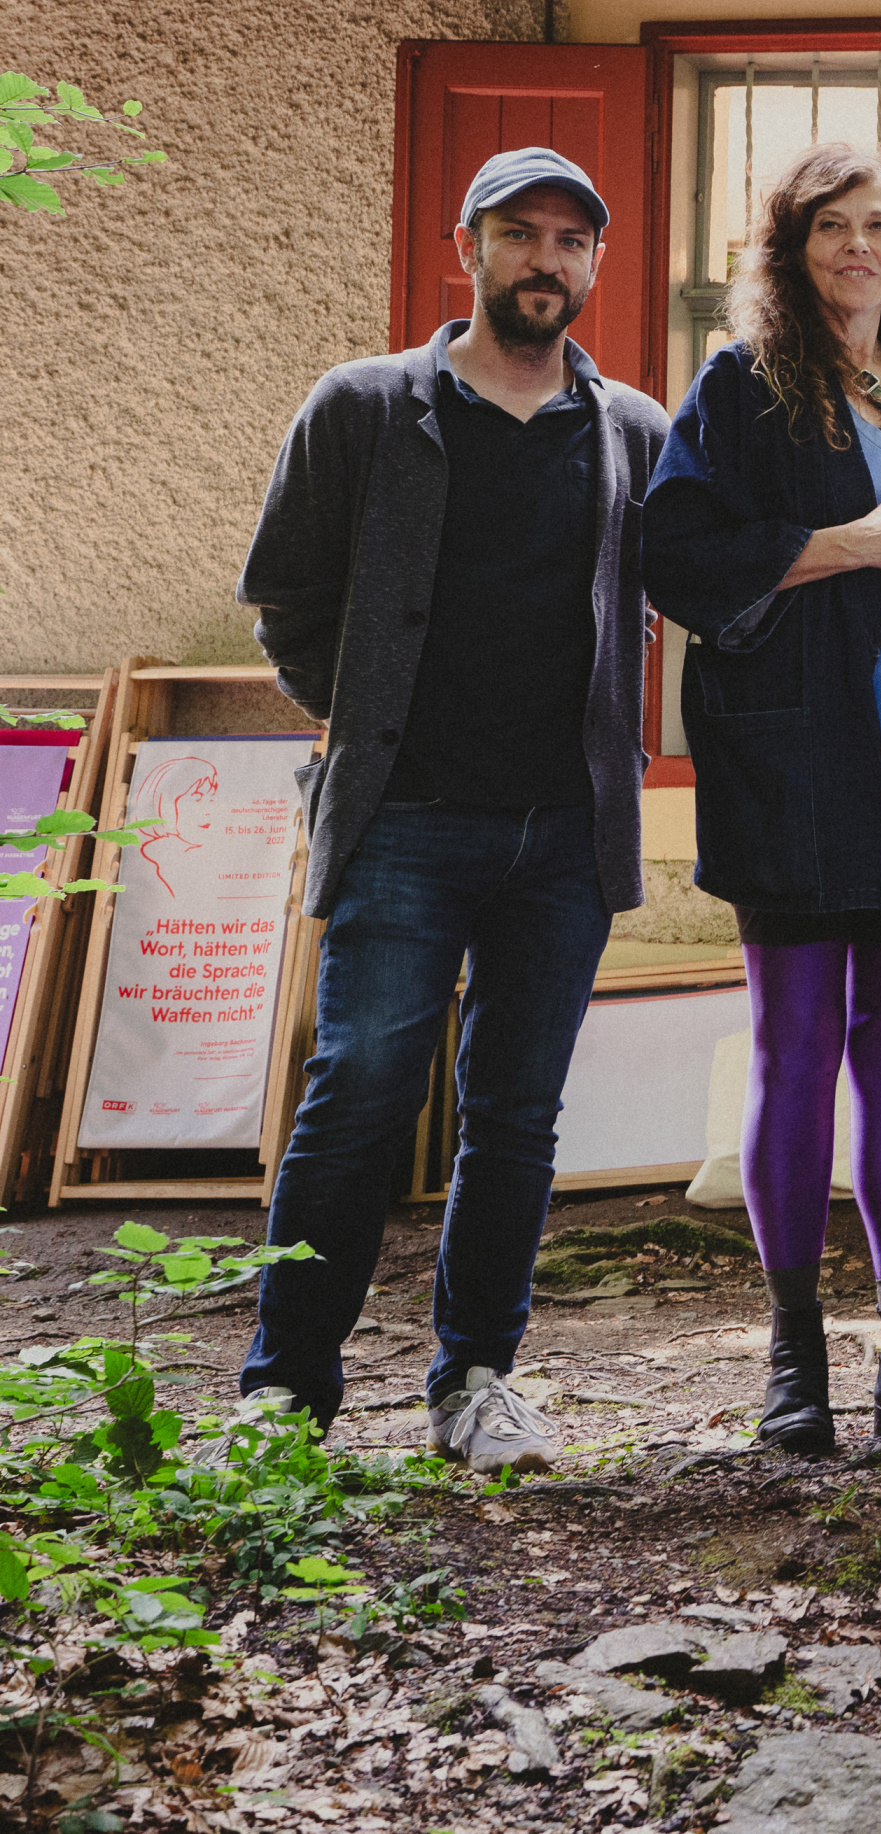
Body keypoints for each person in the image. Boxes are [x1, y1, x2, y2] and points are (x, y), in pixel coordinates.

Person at [235, 147, 669, 1471]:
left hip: (564, 834)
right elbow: (288, 599)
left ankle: (477, 1381)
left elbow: (679, 597)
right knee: (359, 1091)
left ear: (595, 264)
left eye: (570, 240)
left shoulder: (632, 431)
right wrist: (373, 716)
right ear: (466, 249)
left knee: (517, 1114)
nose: (546, 259)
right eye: (519, 232)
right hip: (406, 823)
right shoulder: (365, 407)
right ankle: (283, 1394)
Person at [642, 145, 881, 1455]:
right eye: (833, 226)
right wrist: (843, 545)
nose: (860, 246)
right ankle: (794, 1360)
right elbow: (673, 552)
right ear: (791, 250)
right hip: (793, 762)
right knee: (795, 1049)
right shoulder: (740, 386)